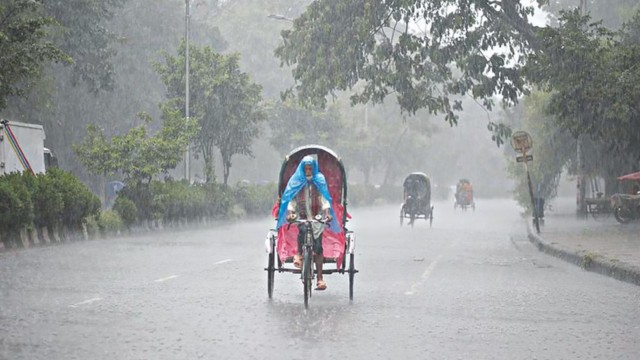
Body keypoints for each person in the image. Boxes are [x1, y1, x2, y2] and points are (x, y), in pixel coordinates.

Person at [276, 155, 338, 291]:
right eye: (306, 169)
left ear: (313, 169)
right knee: (302, 231)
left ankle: (320, 278)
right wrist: (291, 213)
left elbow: (324, 199)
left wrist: (327, 214)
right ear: (302, 169)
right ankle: (298, 254)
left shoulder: (319, 180)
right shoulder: (296, 180)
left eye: (310, 169)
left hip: (317, 218)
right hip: (302, 215)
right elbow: (291, 199)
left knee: (318, 247)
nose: (308, 171)